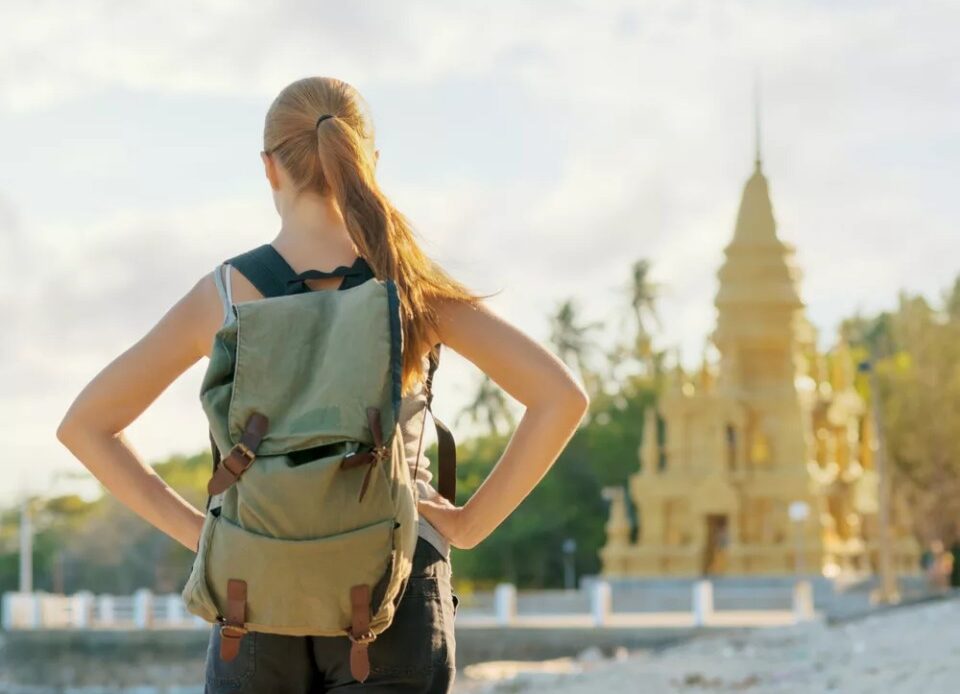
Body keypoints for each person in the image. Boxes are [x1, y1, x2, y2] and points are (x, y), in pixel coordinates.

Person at [55, 76, 590, 693]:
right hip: (393, 583)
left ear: (268, 168)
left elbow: (86, 426)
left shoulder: (224, 295)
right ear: (370, 162)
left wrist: (203, 533)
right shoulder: (410, 284)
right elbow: (561, 396)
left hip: (253, 586)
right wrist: (467, 526)